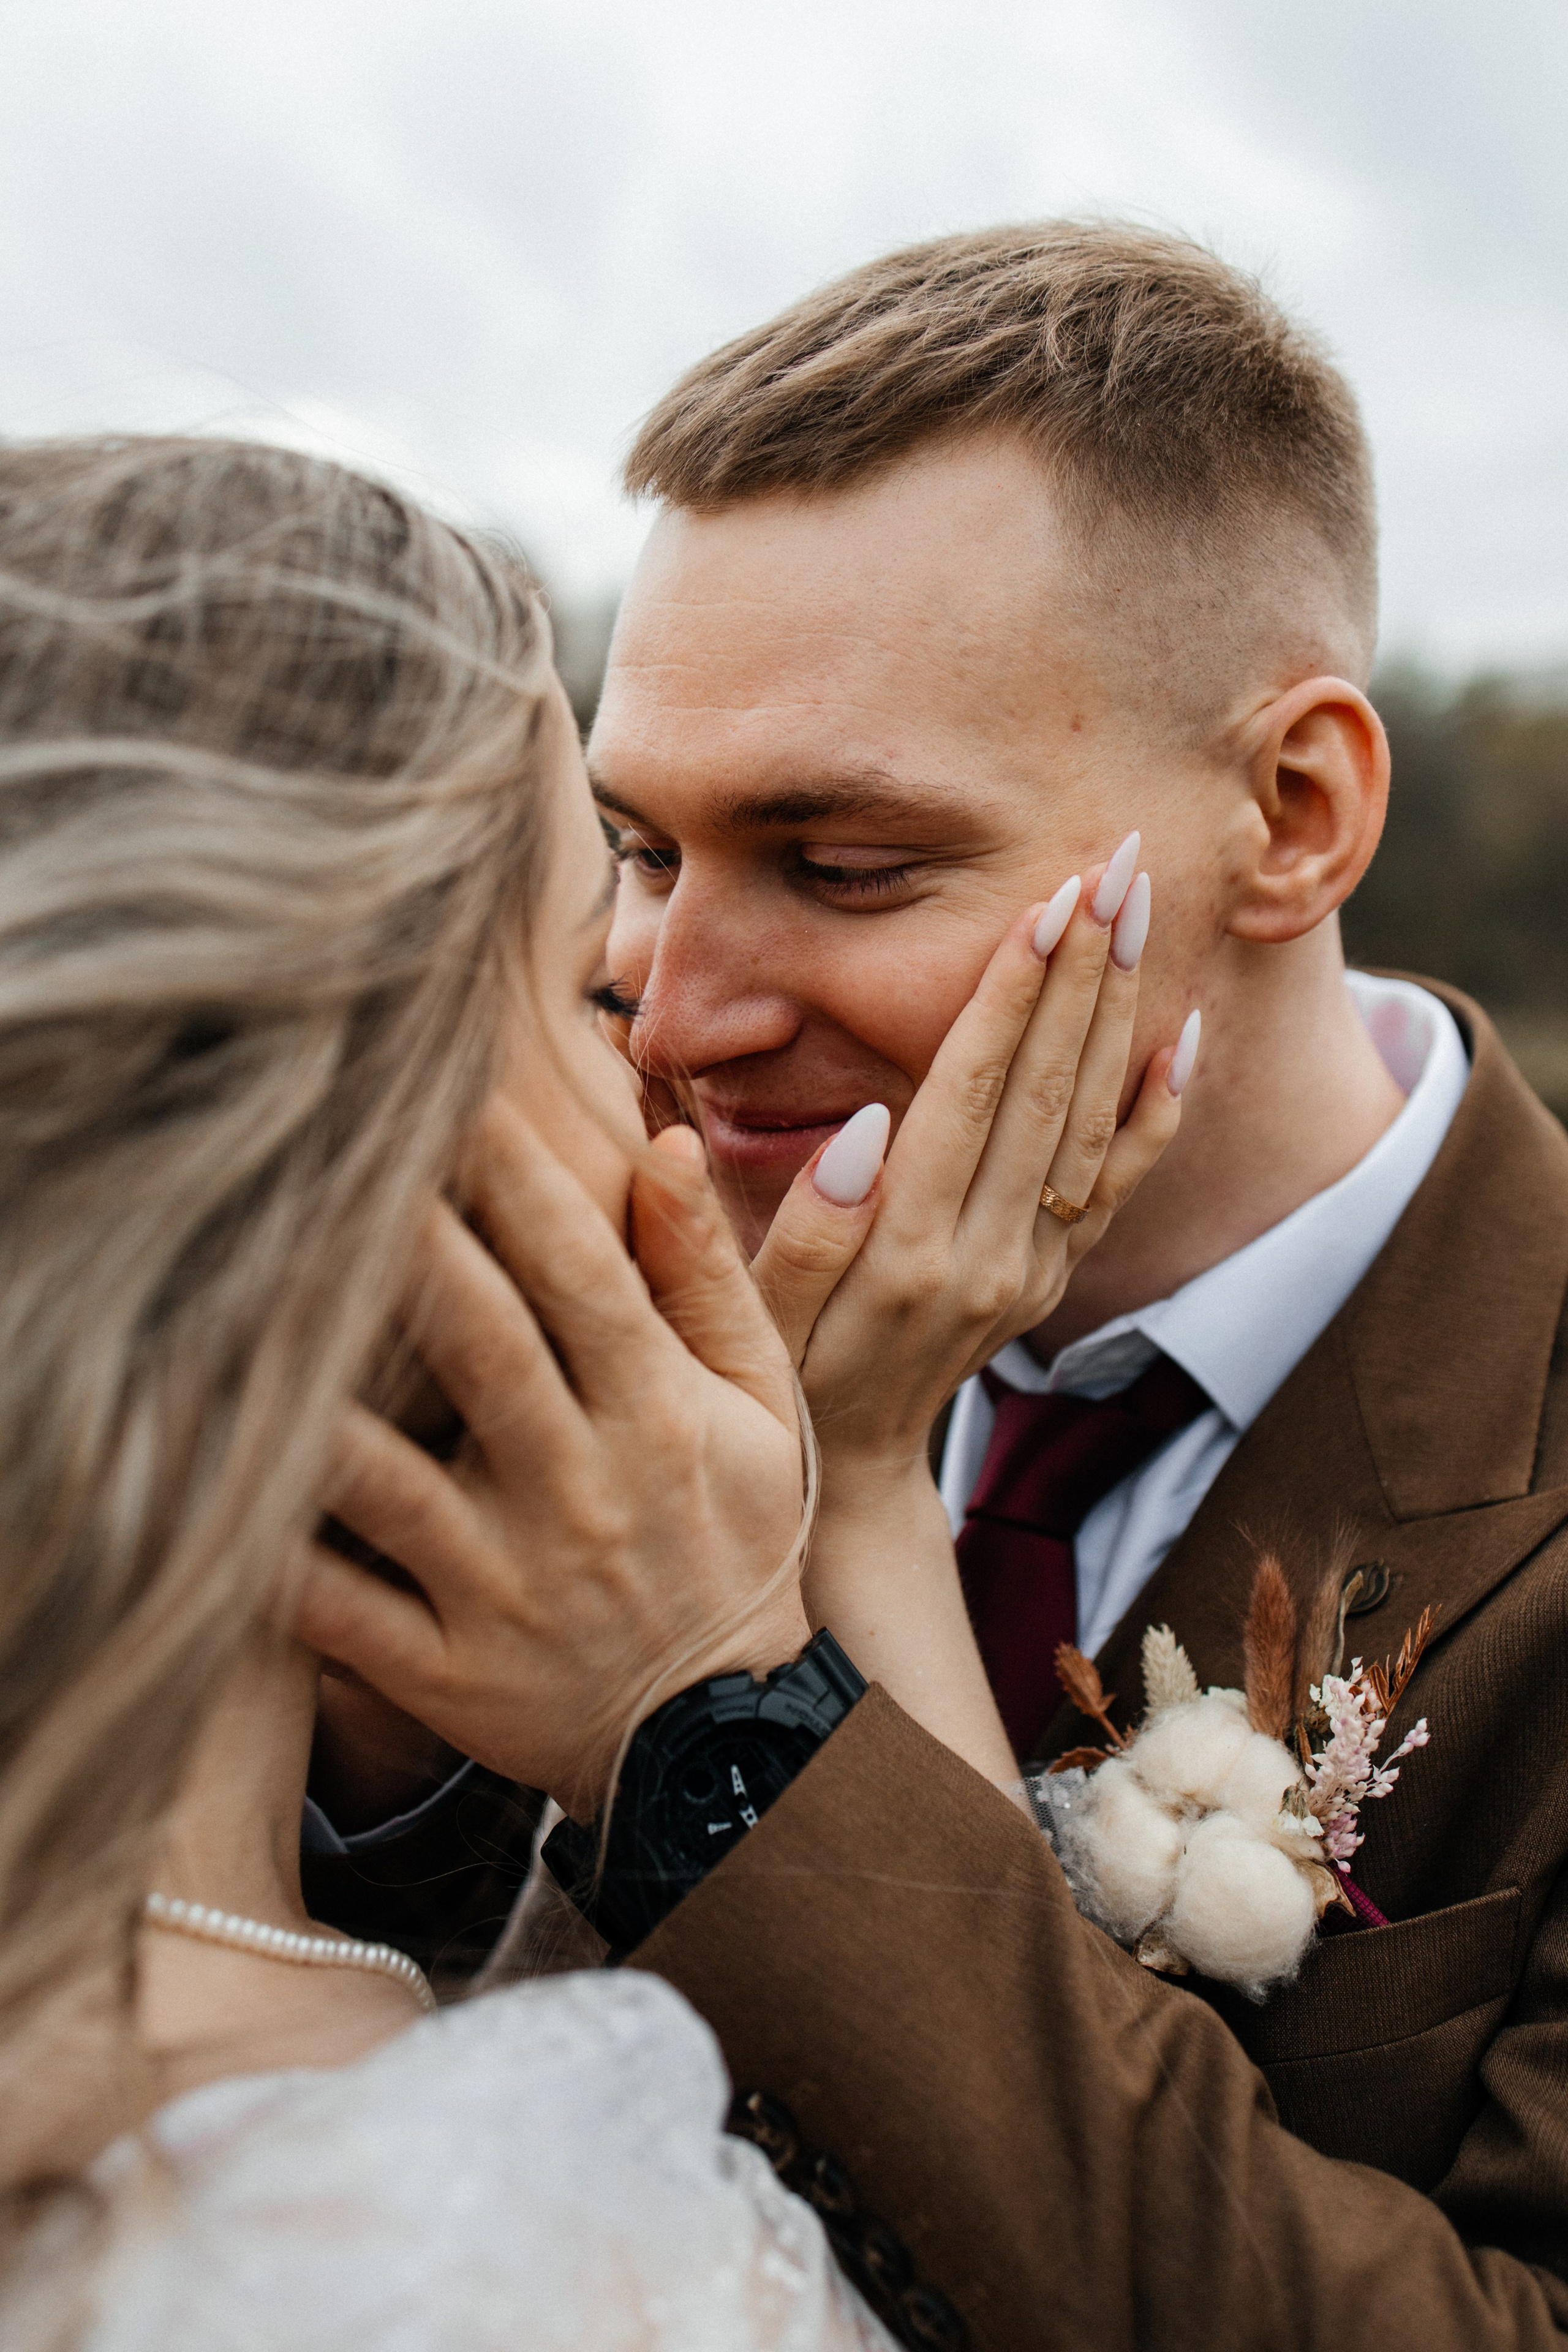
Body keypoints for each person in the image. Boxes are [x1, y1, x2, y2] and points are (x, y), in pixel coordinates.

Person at [323, 226, 1568, 2345]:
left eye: (844, 866)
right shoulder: (606, 1248)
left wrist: (753, 1670)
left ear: (1294, 814)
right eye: (643, 852)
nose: (670, 1014)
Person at [0, 434, 1180, 2349]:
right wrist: (784, 1589)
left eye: (844, 868)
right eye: (592, 977)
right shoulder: (515, 2265)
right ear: (311, 1135)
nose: (671, 1055)